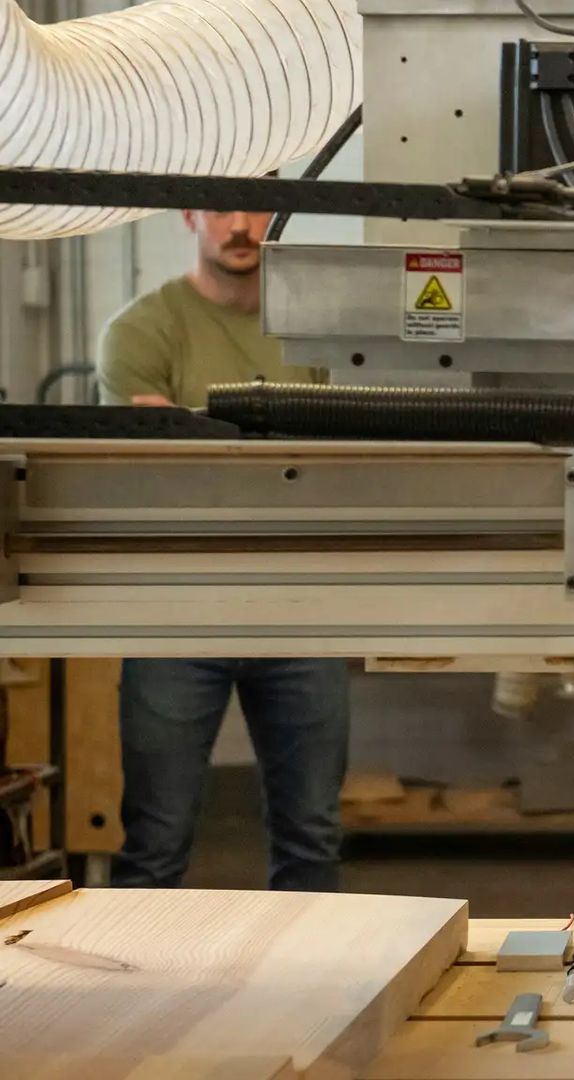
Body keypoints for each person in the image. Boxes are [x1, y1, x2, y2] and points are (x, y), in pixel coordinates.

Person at [97, 207, 350, 892]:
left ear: (282, 214)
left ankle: (321, 999)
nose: (239, 225)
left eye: (255, 205)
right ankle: (130, 998)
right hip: (177, 613)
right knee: (155, 844)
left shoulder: (323, 335)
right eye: (219, 207)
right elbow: (153, 470)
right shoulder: (141, 331)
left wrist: (193, 429)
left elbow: (351, 464)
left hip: (300, 611)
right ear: (189, 215)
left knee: (312, 842)